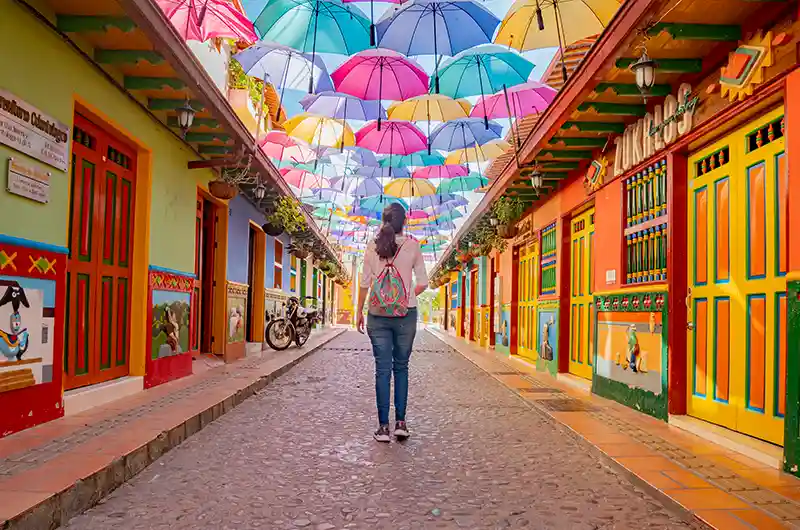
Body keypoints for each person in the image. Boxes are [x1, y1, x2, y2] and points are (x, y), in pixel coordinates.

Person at [357, 203, 428, 442]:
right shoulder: (412, 246)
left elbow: (365, 283)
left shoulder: (371, 246)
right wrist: (404, 297)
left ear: (383, 221)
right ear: (404, 222)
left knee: (382, 369)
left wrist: (358, 311)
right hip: (405, 314)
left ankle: (383, 428)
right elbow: (423, 282)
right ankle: (401, 423)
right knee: (401, 367)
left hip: (377, 315)